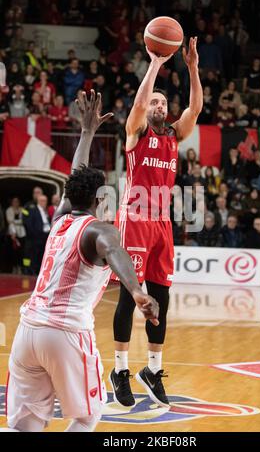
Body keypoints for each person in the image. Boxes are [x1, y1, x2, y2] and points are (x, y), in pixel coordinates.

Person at [2, 90, 159, 433]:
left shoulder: (61, 217)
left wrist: (86, 133)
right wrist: (136, 291)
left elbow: (77, 175)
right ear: (101, 197)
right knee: (88, 416)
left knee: (25, 424)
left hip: (27, 332)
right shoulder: (98, 230)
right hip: (66, 332)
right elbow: (115, 251)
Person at [111, 38, 203, 407]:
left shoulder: (174, 136)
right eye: (155, 101)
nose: (159, 105)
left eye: (164, 102)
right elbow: (137, 103)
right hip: (134, 218)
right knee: (129, 298)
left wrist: (193, 67)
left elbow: (195, 108)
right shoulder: (136, 133)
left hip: (161, 221)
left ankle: (152, 369)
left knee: (160, 297)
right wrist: (154, 63)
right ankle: (119, 370)